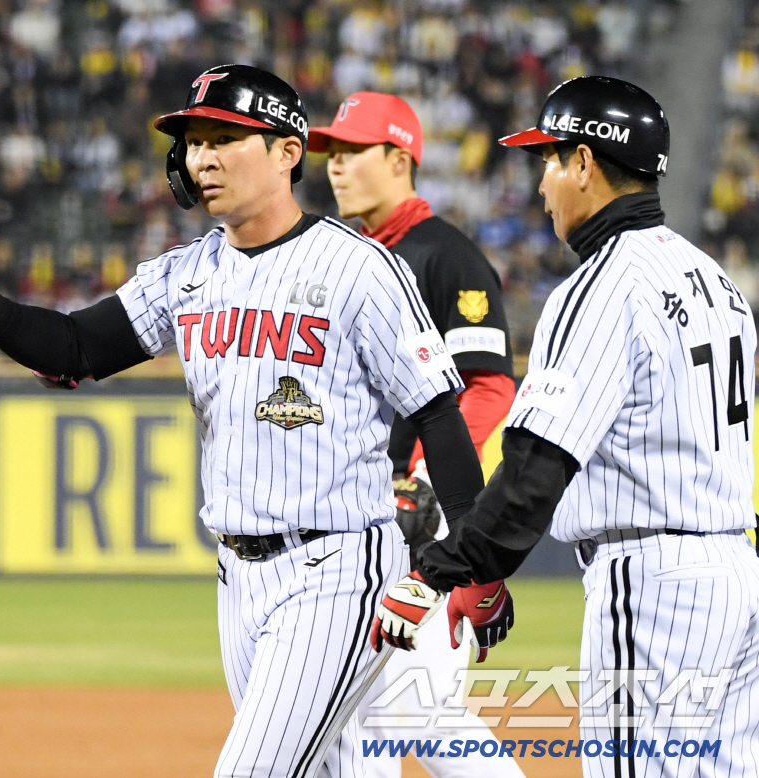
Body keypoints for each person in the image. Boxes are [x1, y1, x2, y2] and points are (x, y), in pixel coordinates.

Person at [0, 65, 510, 777]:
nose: (203, 158)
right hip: (237, 575)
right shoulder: (187, 275)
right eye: (194, 142)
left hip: (340, 568)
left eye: (227, 138)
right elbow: (76, 349)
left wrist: (476, 565)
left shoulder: (359, 269)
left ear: (288, 153)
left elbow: (439, 411)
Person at [377, 76, 759, 777]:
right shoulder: (715, 280)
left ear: (585, 163)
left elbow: (534, 469)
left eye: (551, 161)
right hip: (736, 571)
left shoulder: (600, 286)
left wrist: (441, 569)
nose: (543, 183)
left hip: (654, 582)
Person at [308, 92, 521, 778]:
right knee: (358, 714)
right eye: (330, 154)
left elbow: (488, 386)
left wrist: (425, 482)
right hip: (357, 515)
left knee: (413, 714)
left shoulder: (444, 257)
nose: (334, 167)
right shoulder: (346, 256)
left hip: (418, 518)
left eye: (351, 151)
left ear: (400, 158)